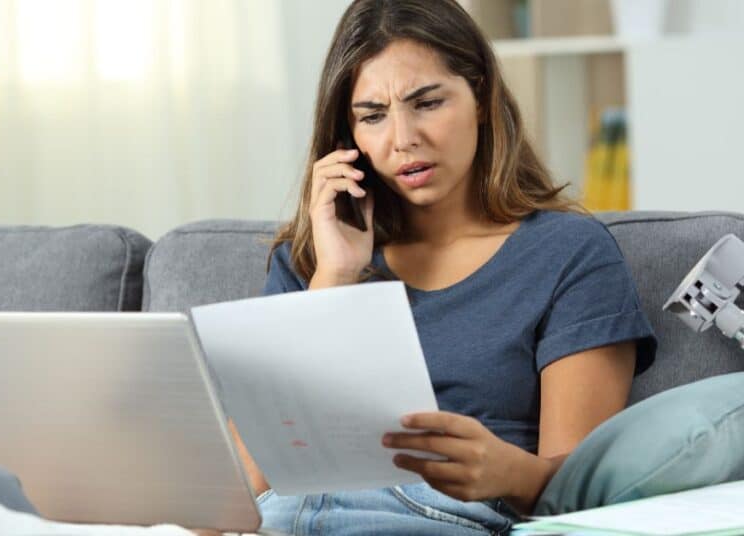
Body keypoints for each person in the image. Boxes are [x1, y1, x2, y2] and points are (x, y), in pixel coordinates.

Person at [228, 1, 658, 534]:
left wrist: (507, 470)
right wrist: (333, 280)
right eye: (372, 115)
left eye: (427, 102)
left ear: (480, 96)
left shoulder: (569, 254)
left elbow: (587, 491)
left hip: (446, 517)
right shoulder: (311, 259)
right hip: (286, 516)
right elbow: (246, 481)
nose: (403, 137)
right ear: (348, 137)